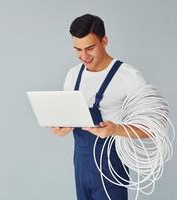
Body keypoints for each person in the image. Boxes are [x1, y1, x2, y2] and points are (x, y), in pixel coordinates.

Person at [51, 14, 149, 200]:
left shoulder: (128, 76)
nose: (84, 56)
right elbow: (64, 117)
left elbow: (150, 129)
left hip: (111, 165)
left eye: (90, 48)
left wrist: (116, 129)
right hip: (81, 163)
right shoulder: (73, 75)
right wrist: (59, 126)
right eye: (78, 49)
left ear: (104, 41)